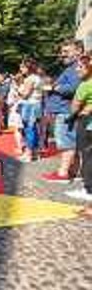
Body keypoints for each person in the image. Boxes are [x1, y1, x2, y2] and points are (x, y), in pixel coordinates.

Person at [41, 40, 83, 182]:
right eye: (62, 51)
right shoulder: (72, 67)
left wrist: (53, 87)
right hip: (66, 110)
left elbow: (74, 88)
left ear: (78, 51)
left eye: (66, 51)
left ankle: (63, 173)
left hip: (66, 111)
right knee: (71, 142)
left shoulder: (76, 68)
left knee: (66, 143)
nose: (62, 55)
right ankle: (73, 170)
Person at [65, 54, 92, 202]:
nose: (77, 69)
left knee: (87, 155)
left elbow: (74, 107)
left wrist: (78, 112)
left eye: (81, 66)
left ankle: (89, 189)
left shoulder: (85, 85)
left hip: (87, 123)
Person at [17, 58, 44, 162]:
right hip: (36, 104)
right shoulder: (38, 78)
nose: (20, 69)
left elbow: (25, 95)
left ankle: (29, 153)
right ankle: (36, 153)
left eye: (22, 67)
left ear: (28, 68)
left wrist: (18, 90)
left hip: (29, 105)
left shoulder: (30, 79)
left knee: (29, 129)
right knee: (34, 129)